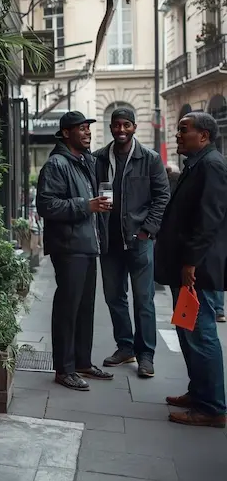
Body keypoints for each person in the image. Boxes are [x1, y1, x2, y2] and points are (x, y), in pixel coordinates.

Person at [155, 112, 227, 428]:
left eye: (185, 130)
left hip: (198, 268)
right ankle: (199, 392)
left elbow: (208, 220)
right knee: (188, 329)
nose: (178, 135)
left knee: (200, 332)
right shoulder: (197, 163)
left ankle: (212, 407)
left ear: (204, 135)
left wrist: (190, 263)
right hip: (188, 265)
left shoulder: (211, 166)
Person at [37, 111, 114, 391]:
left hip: (87, 244)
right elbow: (47, 205)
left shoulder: (85, 161)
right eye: (81, 129)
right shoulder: (56, 164)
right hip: (68, 247)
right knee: (67, 309)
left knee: (85, 308)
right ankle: (64, 368)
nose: (87, 133)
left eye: (88, 129)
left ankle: (82, 361)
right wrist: (86, 205)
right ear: (66, 133)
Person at [94, 107, 170, 378]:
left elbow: (162, 197)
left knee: (144, 300)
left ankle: (146, 355)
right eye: (117, 125)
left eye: (126, 125)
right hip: (110, 243)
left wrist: (147, 230)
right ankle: (125, 347)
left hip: (139, 241)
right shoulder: (99, 158)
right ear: (111, 127)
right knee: (114, 297)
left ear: (134, 127)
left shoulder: (149, 159)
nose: (121, 130)